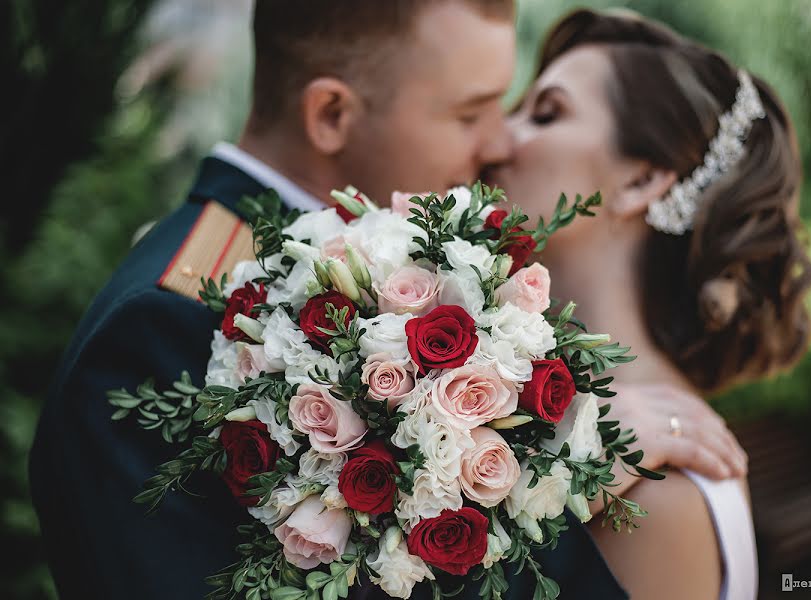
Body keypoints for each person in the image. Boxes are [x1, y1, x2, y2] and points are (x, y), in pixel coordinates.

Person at [30, 2, 745, 598]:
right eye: (470, 114)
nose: (498, 142)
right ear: (332, 116)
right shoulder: (163, 328)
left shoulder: (349, 274)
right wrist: (556, 478)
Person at [485, 9, 811, 600]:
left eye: (546, 113)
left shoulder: (655, 489)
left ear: (641, 181)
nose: (495, 139)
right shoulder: (501, 414)